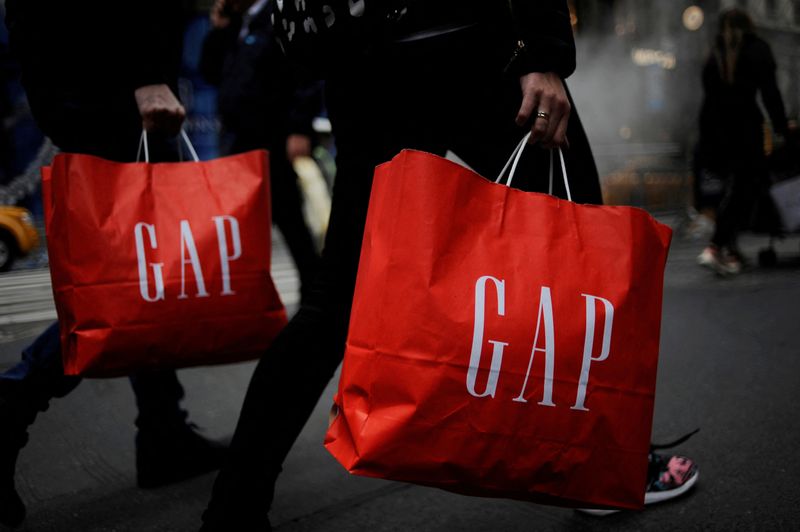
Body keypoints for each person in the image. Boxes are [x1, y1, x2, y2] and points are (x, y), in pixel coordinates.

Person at [199, 2, 697, 529]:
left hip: (368, 65)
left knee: (338, 298)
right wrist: (542, 52)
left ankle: (235, 507)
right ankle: (600, 468)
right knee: (579, 251)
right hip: (471, 40)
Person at [0, 2, 225, 528]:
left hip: (75, 83)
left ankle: (164, 429)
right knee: (131, 285)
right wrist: (146, 76)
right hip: (113, 87)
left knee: (139, 276)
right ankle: (15, 395)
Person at [199, 0, 322, 300]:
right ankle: (248, 301)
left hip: (272, 142)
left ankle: (315, 295)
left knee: (290, 220)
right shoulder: (238, 25)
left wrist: (299, 128)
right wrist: (219, 31)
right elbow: (210, 72)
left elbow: (307, 73)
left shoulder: (277, 15)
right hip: (238, 146)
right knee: (243, 230)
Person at [695, 7, 788, 275]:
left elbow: (708, 99)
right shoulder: (757, 49)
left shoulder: (714, 53)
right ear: (749, 26)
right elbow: (770, 93)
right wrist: (781, 127)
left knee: (729, 191)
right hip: (745, 130)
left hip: (714, 132)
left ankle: (730, 249)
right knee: (747, 187)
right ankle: (716, 245)